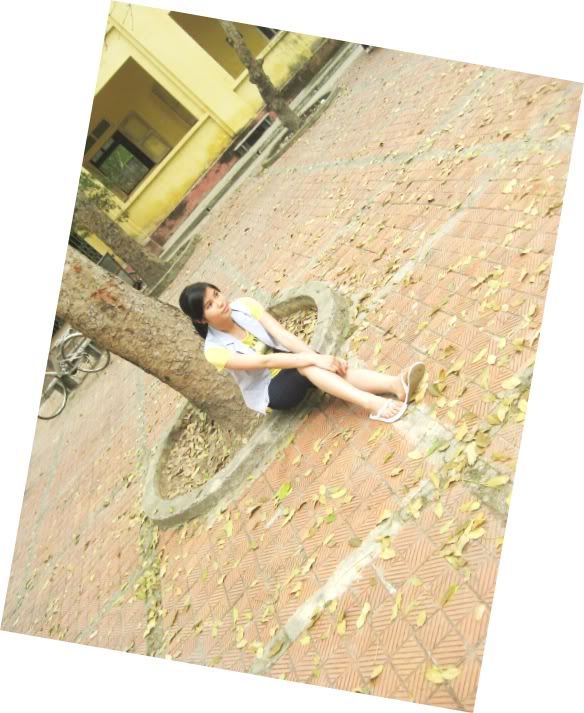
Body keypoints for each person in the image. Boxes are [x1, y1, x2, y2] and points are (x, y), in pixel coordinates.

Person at [178, 282, 425, 423]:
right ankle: (371, 403)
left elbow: (282, 335)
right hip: (272, 388)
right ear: (201, 319)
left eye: (217, 294)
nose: (220, 302)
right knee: (306, 366)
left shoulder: (244, 305)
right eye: (210, 305)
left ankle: (394, 385)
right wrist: (313, 358)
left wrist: (321, 359)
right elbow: (265, 361)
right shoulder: (214, 351)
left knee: (318, 366)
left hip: (294, 361)